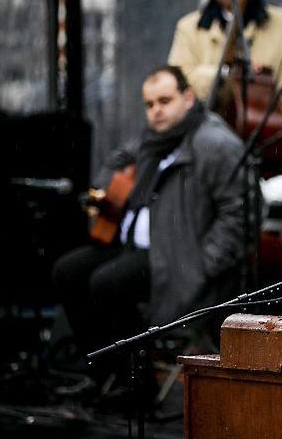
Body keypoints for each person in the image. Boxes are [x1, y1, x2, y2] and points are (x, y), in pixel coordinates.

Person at [52, 66, 245, 396]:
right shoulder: (151, 138)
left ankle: (137, 387)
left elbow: (241, 216)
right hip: (135, 247)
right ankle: (104, 375)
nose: (155, 110)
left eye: (165, 101)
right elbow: (113, 164)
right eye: (149, 103)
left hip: (180, 259)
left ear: (188, 98)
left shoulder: (215, 144)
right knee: (67, 271)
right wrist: (113, 188)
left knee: (108, 283)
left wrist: (203, 263)